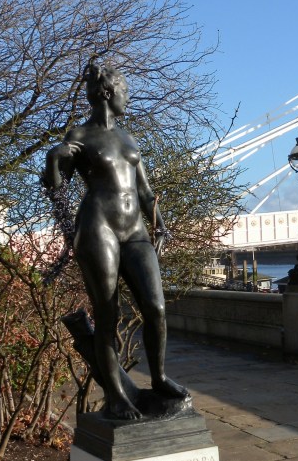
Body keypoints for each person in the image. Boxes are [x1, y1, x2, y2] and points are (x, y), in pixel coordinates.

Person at [43, 62, 191, 420]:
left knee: (155, 308)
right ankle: (116, 397)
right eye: (125, 91)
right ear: (108, 94)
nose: (129, 97)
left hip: (135, 230)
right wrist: (53, 159)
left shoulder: (128, 138)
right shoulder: (79, 136)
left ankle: (158, 379)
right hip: (99, 227)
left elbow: (145, 191)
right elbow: (55, 187)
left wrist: (163, 227)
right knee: (107, 313)